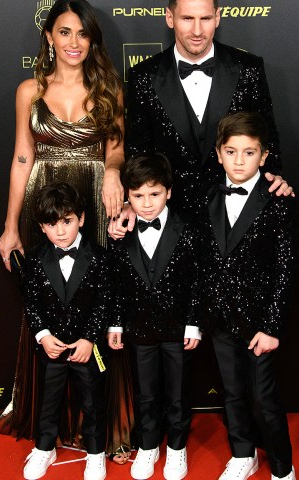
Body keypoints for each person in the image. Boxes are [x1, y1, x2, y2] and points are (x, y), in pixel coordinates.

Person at [0, 0, 131, 463]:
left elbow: (115, 150)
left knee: (95, 298)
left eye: (83, 34)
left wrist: (112, 173)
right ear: (49, 36)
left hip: (93, 196)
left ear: (93, 40)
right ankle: (46, 427)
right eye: (65, 32)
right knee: (49, 300)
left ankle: (99, 426)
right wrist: (12, 225)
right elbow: (22, 158)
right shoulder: (28, 91)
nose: (74, 43)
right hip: (44, 200)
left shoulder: (108, 86)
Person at [109, 0, 291, 240]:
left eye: (205, 19)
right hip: (169, 222)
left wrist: (273, 178)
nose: (197, 31)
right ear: (170, 18)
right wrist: (133, 201)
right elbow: (138, 150)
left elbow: (267, 137)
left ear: (217, 17)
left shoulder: (248, 69)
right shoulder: (143, 76)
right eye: (187, 19)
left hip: (234, 220)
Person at [200, 111, 295, 480]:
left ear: (265, 156)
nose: (240, 161)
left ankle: (283, 469)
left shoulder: (278, 199)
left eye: (250, 152)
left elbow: (286, 268)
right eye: (232, 151)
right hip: (220, 318)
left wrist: (272, 326)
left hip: (259, 322)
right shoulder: (205, 195)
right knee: (233, 391)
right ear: (219, 154)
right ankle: (243, 454)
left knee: (264, 399)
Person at [107, 152, 201, 480]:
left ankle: (176, 446)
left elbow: (197, 282)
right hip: (139, 329)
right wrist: (116, 322)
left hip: (177, 328)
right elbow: (116, 283)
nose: (147, 203)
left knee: (177, 392)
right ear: (128, 198)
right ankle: (149, 445)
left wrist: (193, 323)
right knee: (145, 391)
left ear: (169, 191)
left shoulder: (188, 229)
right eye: (138, 196)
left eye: (155, 194)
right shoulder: (120, 232)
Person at [22, 182, 112, 480]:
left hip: (87, 347)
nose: (60, 231)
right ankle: (44, 448)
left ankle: (96, 453)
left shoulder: (99, 257)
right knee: (49, 401)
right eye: (52, 224)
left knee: (93, 401)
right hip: (52, 348)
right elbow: (31, 303)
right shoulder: (34, 259)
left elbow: (104, 302)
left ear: (82, 219)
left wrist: (90, 338)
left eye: (67, 221)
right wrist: (43, 335)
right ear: (41, 227)